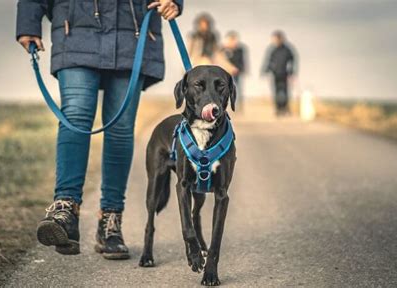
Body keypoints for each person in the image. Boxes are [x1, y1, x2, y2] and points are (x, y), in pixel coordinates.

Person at [16, 0, 183, 259]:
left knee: (121, 127)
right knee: (75, 115)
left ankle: (110, 221)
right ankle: (65, 211)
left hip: (132, 31)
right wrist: (28, 20)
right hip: (75, 29)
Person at [261, 30, 298, 115]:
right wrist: (266, 70)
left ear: (280, 38)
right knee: (276, 92)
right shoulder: (272, 49)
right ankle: (278, 109)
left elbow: (292, 60)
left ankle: (285, 108)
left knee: (285, 92)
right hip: (275, 74)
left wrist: (292, 72)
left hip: (285, 74)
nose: (273, 40)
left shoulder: (287, 49)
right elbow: (269, 61)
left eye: (275, 39)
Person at [222, 31, 247, 108]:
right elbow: (220, 60)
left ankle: (237, 106)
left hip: (237, 73)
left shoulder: (240, 49)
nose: (233, 42)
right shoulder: (223, 49)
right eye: (231, 40)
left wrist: (241, 69)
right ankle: (227, 106)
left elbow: (242, 61)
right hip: (226, 73)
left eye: (234, 40)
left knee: (237, 89)